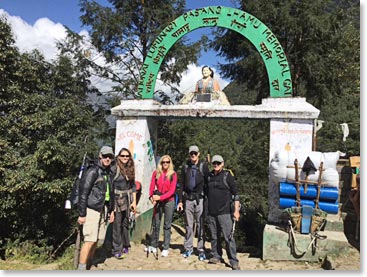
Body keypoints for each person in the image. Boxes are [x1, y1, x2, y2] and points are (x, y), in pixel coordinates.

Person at [77, 146, 115, 270]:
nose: (107, 159)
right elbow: (83, 193)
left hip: (103, 209)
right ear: (100, 156)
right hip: (92, 209)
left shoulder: (109, 172)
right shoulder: (93, 171)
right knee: (89, 240)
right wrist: (82, 214)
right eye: (105, 156)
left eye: (110, 156)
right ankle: (81, 268)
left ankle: (89, 263)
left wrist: (111, 210)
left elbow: (111, 193)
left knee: (97, 240)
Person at [206, 155, 241, 270]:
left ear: (222, 164)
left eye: (218, 163)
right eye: (214, 163)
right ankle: (216, 255)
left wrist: (236, 211)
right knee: (214, 236)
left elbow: (236, 194)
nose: (216, 165)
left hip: (225, 212)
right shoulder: (209, 176)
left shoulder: (227, 176)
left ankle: (233, 260)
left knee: (228, 237)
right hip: (211, 212)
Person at [177, 145, 209, 261]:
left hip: (200, 199)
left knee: (200, 225)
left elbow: (207, 184)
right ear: (189, 154)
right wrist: (180, 201)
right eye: (191, 154)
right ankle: (188, 247)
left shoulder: (203, 166)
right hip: (188, 199)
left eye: (195, 153)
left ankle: (200, 249)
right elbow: (181, 184)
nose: (193, 156)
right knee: (188, 225)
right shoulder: (185, 167)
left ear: (199, 154)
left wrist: (207, 201)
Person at [145, 155, 177, 257]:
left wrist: (160, 198)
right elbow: (151, 186)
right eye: (163, 162)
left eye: (167, 162)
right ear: (161, 163)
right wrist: (151, 197)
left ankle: (166, 247)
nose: (165, 164)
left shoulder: (173, 174)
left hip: (169, 201)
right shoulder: (156, 173)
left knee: (167, 225)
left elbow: (172, 191)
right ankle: (153, 244)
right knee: (156, 223)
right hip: (158, 200)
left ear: (170, 163)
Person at [111, 147, 137, 259]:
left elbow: (133, 186)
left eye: (127, 156)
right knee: (117, 225)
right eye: (123, 156)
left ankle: (126, 244)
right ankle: (116, 249)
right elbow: (110, 185)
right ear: (118, 156)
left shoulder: (130, 168)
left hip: (126, 199)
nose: (125, 158)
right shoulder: (114, 168)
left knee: (125, 223)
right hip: (116, 199)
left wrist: (134, 201)